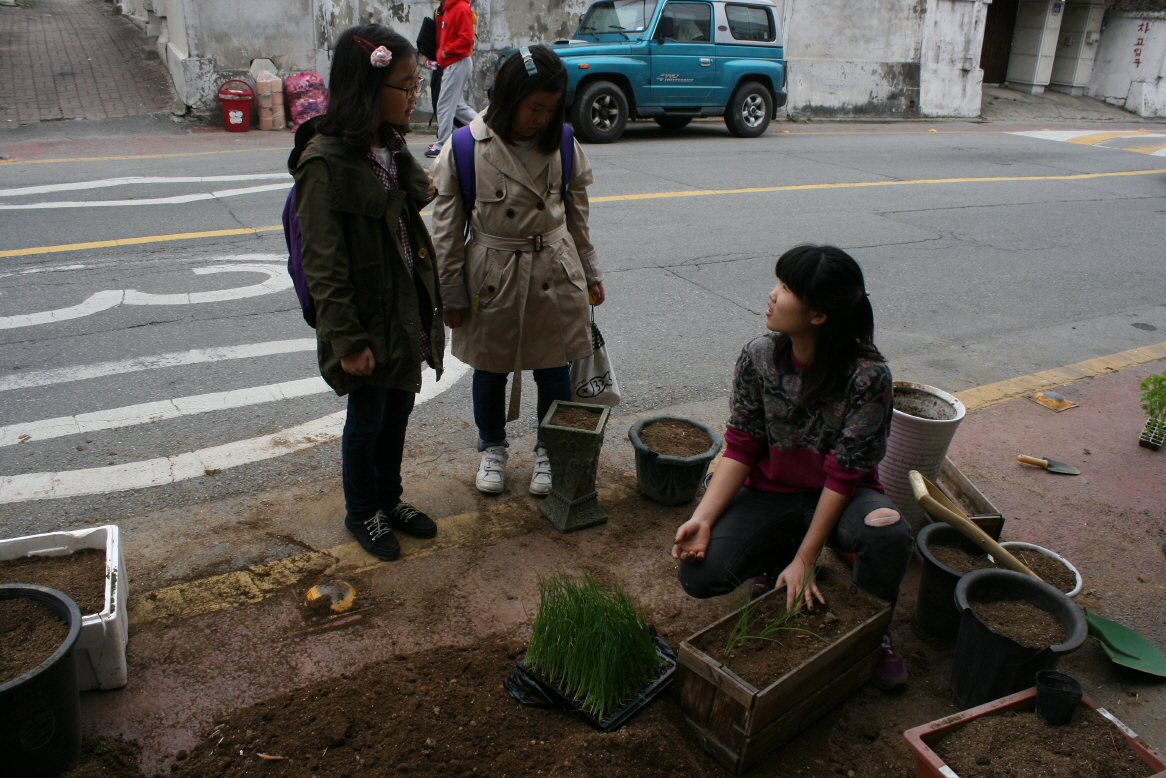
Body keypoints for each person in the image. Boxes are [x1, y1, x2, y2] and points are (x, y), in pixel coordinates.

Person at [671, 245, 912, 690]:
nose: (771, 294)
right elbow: (742, 443)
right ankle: (776, 563)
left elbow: (843, 474)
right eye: (778, 283)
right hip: (771, 493)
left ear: (818, 315)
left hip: (842, 497)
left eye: (784, 288)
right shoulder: (760, 356)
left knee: (888, 530)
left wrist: (808, 557)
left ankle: (873, 626)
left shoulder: (867, 376)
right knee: (699, 574)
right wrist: (702, 518)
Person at [289, 24, 444, 561]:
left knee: (398, 407)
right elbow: (323, 262)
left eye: (414, 84)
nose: (413, 95)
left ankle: (389, 499)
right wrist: (347, 339)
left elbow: (412, 208)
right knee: (367, 419)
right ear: (368, 86)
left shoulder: (391, 147)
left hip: (402, 309)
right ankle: (363, 512)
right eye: (405, 84)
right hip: (363, 318)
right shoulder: (324, 162)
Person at [429, 44, 605, 496]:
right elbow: (446, 233)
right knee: (489, 370)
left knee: (554, 369)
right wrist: (449, 295)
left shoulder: (564, 142)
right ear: (509, 98)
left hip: (554, 267)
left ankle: (548, 448)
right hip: (492, 273)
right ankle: (493, 448)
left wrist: (591, 273)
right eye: (534, 107)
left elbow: (577, 218)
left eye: (551, 108)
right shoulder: (466, 146)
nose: (542, 118)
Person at [425, 0, 478, 158]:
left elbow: (466, 39)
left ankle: (442, 144)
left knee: (444, 104)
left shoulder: (461, 8)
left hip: (457, 61)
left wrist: (448, 50)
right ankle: (490, 128)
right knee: (458, 107)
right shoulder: (448, 9)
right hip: (453, 62)